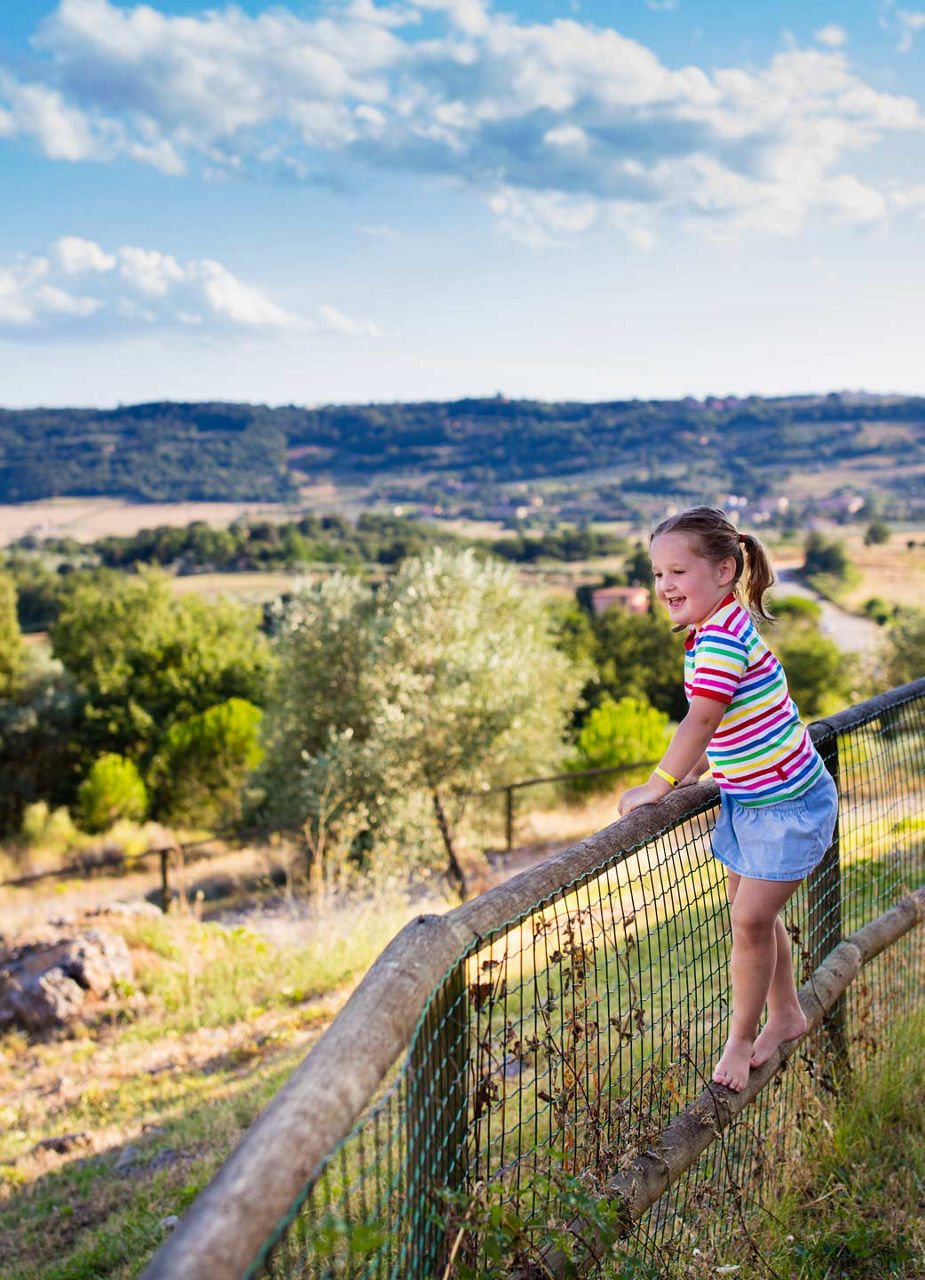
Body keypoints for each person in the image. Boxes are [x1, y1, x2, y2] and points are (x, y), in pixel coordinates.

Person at [617, 506, 838, 1092]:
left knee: (749, 920)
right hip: (752, 802)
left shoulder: (720, 636)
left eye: (677, 573)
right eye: (658, 574)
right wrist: (697, 771)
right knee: (754, 919)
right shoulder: (714, 630)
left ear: (724, 570)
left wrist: (659, 783)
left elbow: (704, 716)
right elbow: (733, 724)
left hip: (789, 809)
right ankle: (787, 1012)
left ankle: (740, 1041)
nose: (665, 586)